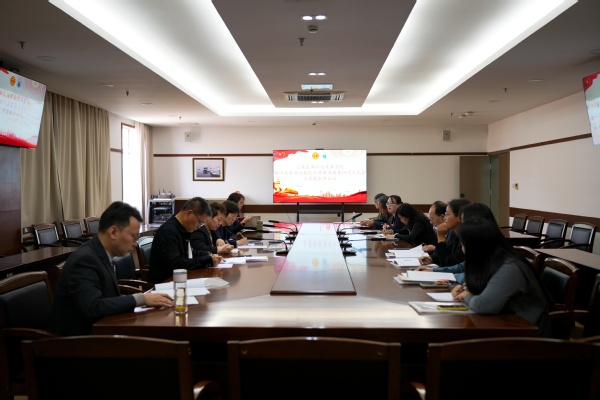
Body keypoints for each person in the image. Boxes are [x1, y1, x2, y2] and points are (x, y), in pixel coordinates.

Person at [50, 201, 174, 335]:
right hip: (80, 341)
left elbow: (109, 297)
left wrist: (145, 300)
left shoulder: (100, 253)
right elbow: (94, 307)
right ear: (113, 232)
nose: (135, 243)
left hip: (104, 327)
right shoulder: (85, 260)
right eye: (133, 237)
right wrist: (141, 299)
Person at [451, 217, 552, 337]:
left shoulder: (509, 267)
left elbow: (484, 306)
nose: (462, 248)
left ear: (474, 246)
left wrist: (467, 296)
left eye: (463, 244)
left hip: (527, 333)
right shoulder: (492, 260)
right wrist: (465, 289)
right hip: (506, 323)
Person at [149, 197, 221, 284]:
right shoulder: (168, 231)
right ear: (189, 213)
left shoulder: (183, 228)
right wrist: (207, 261)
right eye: (200, 222)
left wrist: (208, 255)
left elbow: (188, 253)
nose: (199, 226)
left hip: (181, 279)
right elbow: (176, 264)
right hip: (166, 283)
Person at [419, 198, 470, 267]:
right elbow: (444, 252)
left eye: (447, 214)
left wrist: (441, 238)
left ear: (459, 217)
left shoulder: (467, 237)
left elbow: (449, 263)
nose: (445, 218)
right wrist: (431, 258)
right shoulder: (452, 232)